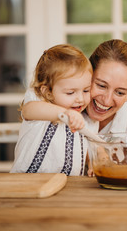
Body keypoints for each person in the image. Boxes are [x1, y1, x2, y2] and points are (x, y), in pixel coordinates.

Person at [10, 44, 93, 176]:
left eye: (86, 90)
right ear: (48, 92)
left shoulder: (81, 117)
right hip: (27, 182)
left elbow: (84, 144)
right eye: (71, 92)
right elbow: (28, 110)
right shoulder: (40, 106)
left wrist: (92, 162)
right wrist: (64, 113)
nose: (80, 99)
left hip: (67, 185)